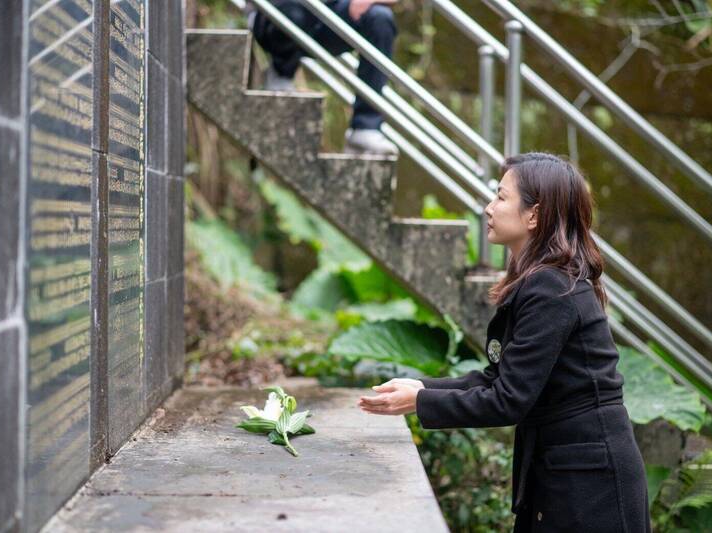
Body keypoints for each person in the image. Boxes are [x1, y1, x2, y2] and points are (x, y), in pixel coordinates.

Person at [358, 152, 651, 532]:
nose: (487, 208)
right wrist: (422, 387)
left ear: (534, 215)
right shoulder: (542, 279)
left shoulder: (552, 287)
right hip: (568, 468)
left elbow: (508, 400)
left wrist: (420, 402)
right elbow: (498, 378)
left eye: (500, 197)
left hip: (590, 482)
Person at [247, 0, 399, 156]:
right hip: (275, 15)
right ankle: (281, 72)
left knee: (380, 17)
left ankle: (365, 128)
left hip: (330, 16)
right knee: (293, 11)